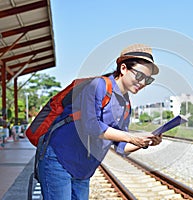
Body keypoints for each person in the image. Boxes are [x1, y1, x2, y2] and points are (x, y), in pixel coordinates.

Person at [37, 44, 162, 200]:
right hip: (59, 159)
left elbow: (121, 147)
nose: (142, 82)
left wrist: (145, 142)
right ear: (123, 68)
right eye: (139, 75)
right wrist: (130, 136)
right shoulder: (97, 86)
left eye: (147, 79)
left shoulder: (125, 106)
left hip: (83, 170)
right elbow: (91, 126)